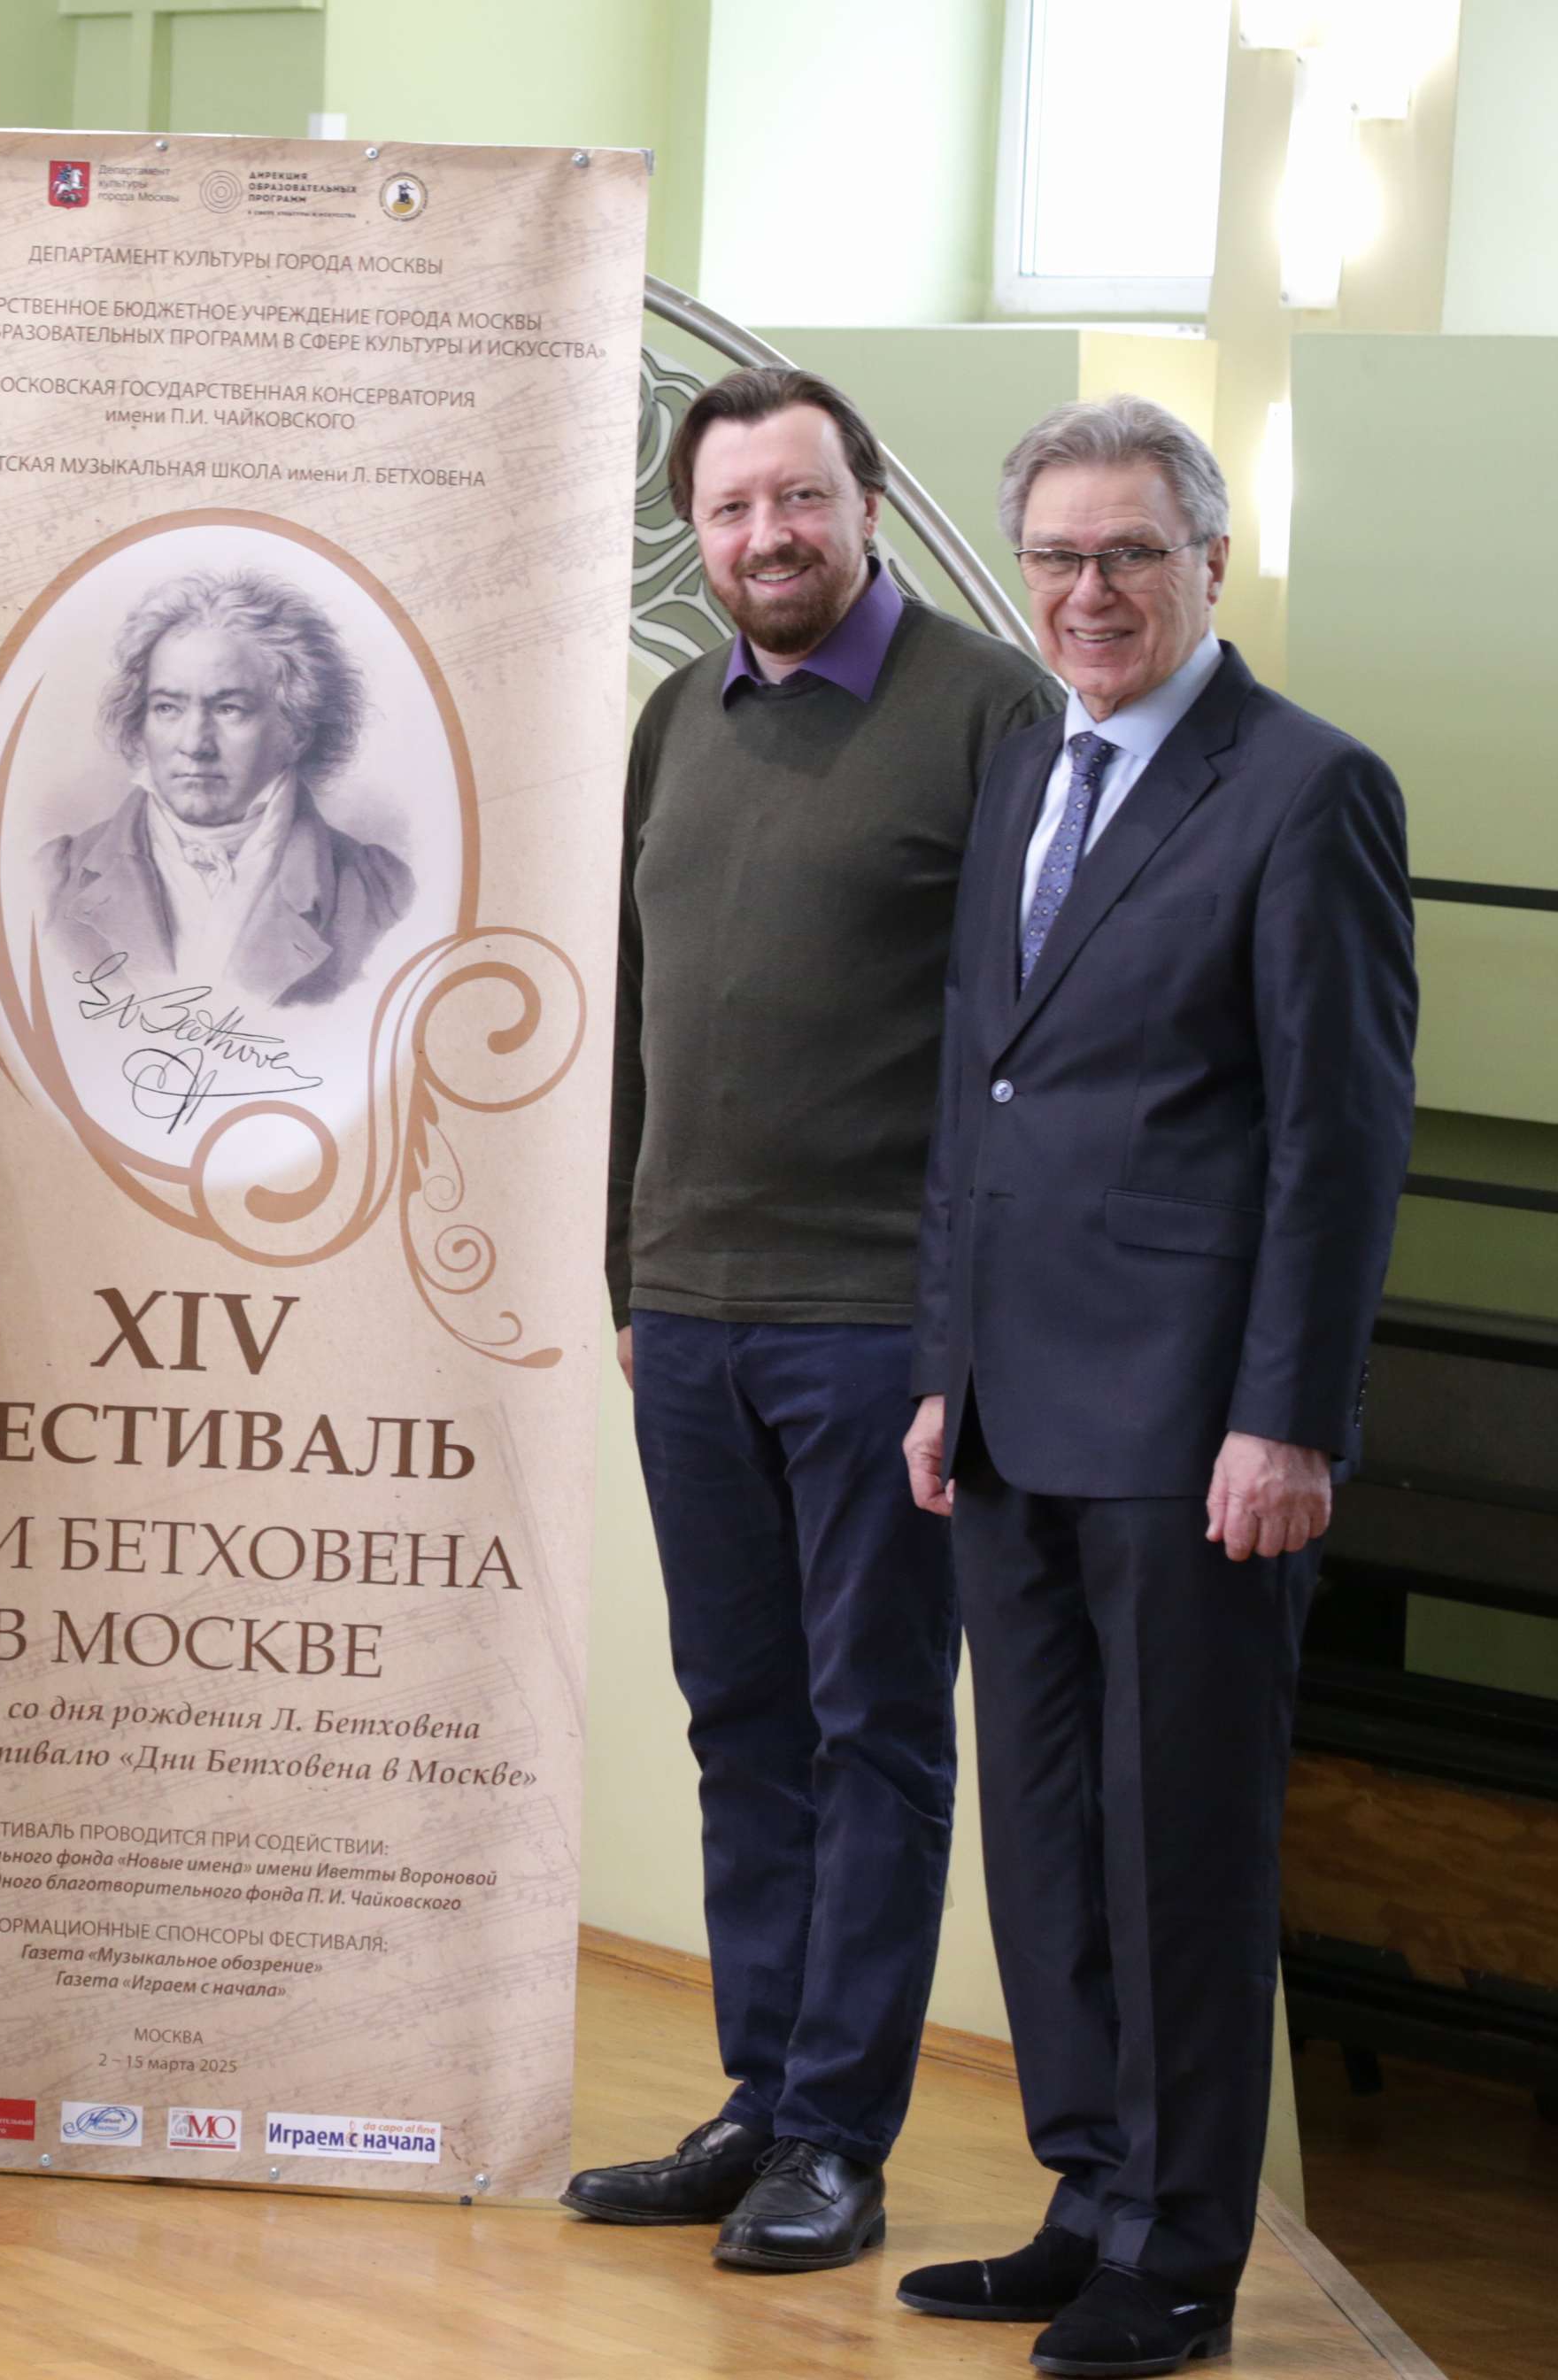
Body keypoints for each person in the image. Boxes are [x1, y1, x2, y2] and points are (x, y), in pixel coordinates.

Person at [899, 396, 1415, 2377]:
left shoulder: (1307, 788)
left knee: (1173, 1839)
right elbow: (978, 1095)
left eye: (1128, 553)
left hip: (1198, 1429)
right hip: (1008, 1412)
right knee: (1043, 1835)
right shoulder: (1029, 767)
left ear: (1209, 561)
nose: (1088, 591)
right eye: (1056, 555)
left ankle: (1181, 2251)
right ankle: (1088, 2195)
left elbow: (1335, 1138)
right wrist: (940, 1370)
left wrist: (1288, 1417)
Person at [566, 369, 1057, 2273]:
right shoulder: (678, 715)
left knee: (875, 1735)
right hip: (689, 1318)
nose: (766, 535)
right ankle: (760, 2099)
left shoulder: (987, 711)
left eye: (799, 498)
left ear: (864, 501)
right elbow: (637, 1001)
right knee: (742, 1725)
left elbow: (1026, 1042)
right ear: (694, 532)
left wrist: (958, 1331)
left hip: (875, 1328)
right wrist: (629, 1271)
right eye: (730, 507)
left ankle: (838, 2136)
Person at [33, 565, 413, 1009]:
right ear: (141, 721)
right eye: (168, 708)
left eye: (229, 709)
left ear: (297, 729)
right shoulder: (51, 880)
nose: (195, 744)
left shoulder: (382, 895)